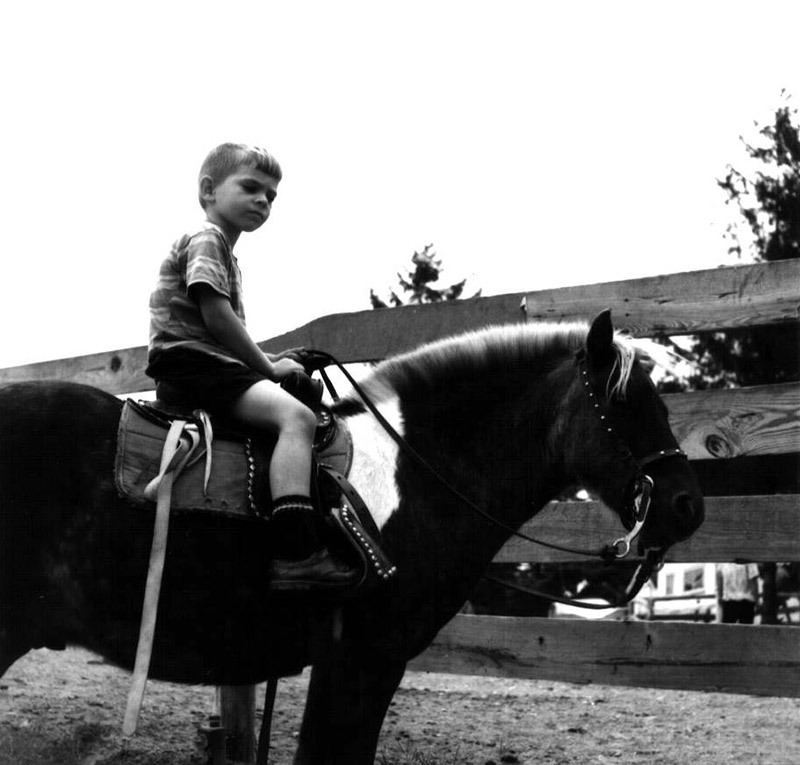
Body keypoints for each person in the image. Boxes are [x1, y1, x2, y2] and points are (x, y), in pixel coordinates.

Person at [146, 142, 356, 592]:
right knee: (296, 418)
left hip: (196, 364)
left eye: (272, 196)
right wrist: (269, 366)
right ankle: (297, 552)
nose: (263, 200)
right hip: (195, 364)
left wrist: (272, 364)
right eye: (251, 187)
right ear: (208, 190)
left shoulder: (222, 249)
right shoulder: (208, 238)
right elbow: (217, 318)